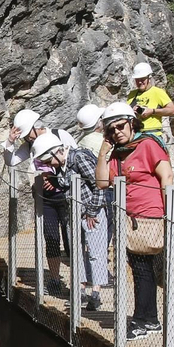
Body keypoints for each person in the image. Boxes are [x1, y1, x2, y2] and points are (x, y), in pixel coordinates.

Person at [95, 101, 173, 339]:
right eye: (111, 130)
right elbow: (101, 183)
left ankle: (141, 320)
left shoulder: (148, 144)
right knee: (142, 269)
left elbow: (166, 176)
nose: (117, 132)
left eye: (120, 126)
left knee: (141, 268)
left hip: (149, 215)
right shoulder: (118, 153)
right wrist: (102, 152)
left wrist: (170, 216)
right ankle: (150, 319)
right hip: (129, 217)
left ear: (131, 123)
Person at [33, 131, 109, 309]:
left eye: (47, 161)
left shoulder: (79, 157)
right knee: (76, 253)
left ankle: (95, 294)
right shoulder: (61, 165)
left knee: (95, 252)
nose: (47, 165)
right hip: (73, 213)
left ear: (56, 152)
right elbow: (67, 185)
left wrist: (92, 211)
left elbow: (98, 184)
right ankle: (80, 292)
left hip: (92, 213)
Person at [126, 63, 174, 139]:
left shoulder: (157, 92)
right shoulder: (132, 94)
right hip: (135, 135)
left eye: (142, 79)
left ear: (149, 78)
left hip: (153, 135)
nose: (140, 82)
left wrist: (152, 111)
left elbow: (172, 111)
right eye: (137, 80)